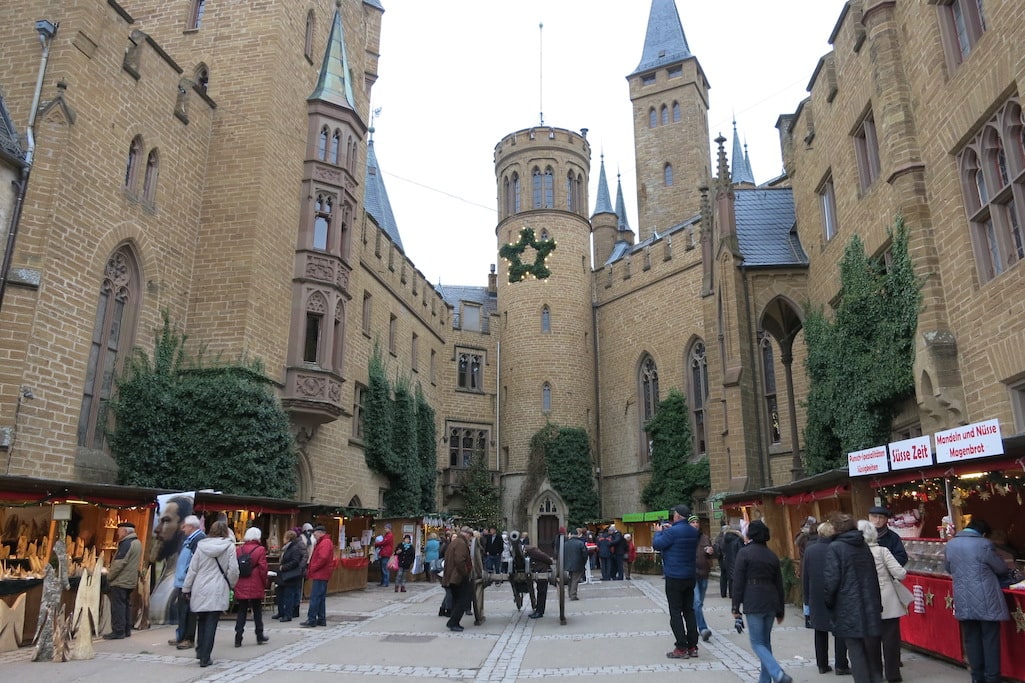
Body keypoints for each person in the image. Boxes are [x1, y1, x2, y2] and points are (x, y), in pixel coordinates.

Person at [944, 518, 1010, 683]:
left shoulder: (951, 544)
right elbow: (1000, 568)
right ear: (984, 533)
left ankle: (977, 678)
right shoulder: (984, 544)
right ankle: (992, 678)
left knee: (971, 640)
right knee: (990, 640)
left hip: (963, 599)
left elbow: (948, 568)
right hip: (986, 599)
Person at [824, 514, 883, 683]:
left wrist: (829, 602)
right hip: (869, 602)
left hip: (847, 605)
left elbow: (831, 580)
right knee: (870, 651)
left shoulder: (835, 548)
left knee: (855, 650)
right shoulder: (863, 546)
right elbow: (873, 576)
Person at [732, 519, 792, 683]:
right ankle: (765, 680)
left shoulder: (744, 553)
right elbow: (779, 584)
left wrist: (735, 607)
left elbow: (737, 582)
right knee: (765, 643)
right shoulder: (771, 555)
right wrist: (780, 610)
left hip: (753, 600)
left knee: (757, 643)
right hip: (771, 600)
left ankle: (777, 673)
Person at [182, 520, 239, 668]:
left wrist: (186, 588)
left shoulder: (201, 546)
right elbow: (233, 570)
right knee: (212, 622)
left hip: (200, 586)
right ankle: (205, 657)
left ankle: (200, 650)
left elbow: (193, 569)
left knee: (201, 619)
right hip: (219, 586)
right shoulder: (229, 547)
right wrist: (231, 584)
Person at [859, 520, 906, 683]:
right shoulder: (882, 551)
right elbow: (900, 573)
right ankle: (893, 674)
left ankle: (875, 673)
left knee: (871, 639)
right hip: (887, 598)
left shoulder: (856, 553)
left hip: (866, 599)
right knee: (891, 639)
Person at [652, 503, 700, 659]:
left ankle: (681, 647)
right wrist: (669, 530)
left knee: (675, 612)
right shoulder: (693, 532)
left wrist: (658, 532)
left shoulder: (672, 532)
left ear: (678, 516)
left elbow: (657, 545)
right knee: (689, 611)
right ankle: (693, 646)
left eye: (674, 514)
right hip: (690, 575)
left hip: (674, 576)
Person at [802, 521, 850, 675]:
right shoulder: (838, 548)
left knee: (820, 631)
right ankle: (841, 664)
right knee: (840, 630)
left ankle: (822, 664)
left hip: (816, 595)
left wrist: (806, 600)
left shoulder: (810, 550)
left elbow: (805, 576)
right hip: (836, 593)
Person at [169, 515, 204, 649]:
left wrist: (187, 578)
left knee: (189, 612)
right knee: (182, 611)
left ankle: (188, 638)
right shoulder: (191, 539)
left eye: (184, 526)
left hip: (188, 582)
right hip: (182, 581)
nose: (182, 529)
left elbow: (195, 562)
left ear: (190, 526)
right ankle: (181, 635)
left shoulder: (198, 539)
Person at [103, 521, 142, 640]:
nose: (118, 534)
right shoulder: (137, 542)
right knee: (125, 605)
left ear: (125, 531)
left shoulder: (126, 544)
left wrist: (109, 577)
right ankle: (126, 630)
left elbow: (119, 563)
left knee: (118, 606)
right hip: (130, 580)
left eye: (119, 532)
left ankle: (118, 631)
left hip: (121, 580)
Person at [234, 526, 270, 647]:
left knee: (242, 610)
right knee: (257, 610)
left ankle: (238, 637)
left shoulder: (239, 549)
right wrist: (265, 582)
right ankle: (259, 635)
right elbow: (263, 568)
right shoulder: (260, 550)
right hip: (255, 583)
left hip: (241, 582)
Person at [301, 525, 334, 627]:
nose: (314, 535)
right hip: (322, 573)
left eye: (315, 534)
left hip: (320, 573)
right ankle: (321, 618)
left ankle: (311, 619)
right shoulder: (325, 542)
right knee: (320, 597)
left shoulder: (325, 543)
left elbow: (323, 558)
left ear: (320, 533)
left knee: (315, 597)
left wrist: (313, 567)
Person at [442, 526, 473, 632]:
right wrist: (465, 573)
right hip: (458, 576)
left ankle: (454, 622)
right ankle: (453, 622)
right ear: (467, 534)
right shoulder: (461, 544)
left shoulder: (455, 542)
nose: (470, 538)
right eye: (470, 535)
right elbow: (460, 561)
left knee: (456, 599)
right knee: (463, 599)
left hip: (451, 576)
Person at [690, 515, 715, 642]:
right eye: (693, 522)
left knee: (699, 604)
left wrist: (711, 551)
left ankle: (694, 622)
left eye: (697, 522)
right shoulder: (687, 537)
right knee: (697, 602)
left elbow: (712, 554)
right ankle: (703, 629)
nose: (695, 524)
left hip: (704, 573)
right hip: (692, 574)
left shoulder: (705, 538)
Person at [275, 529, 305, 622]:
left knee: (288, 595)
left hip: (290, 575)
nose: (283, 539)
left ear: (288, 538)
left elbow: (295, 561)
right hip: (283, 575)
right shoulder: (286, 548)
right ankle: (281, 612)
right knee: (280, 594)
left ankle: (288, 614)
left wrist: (284, 567)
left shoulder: (294, 548)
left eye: (284, 537)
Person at [524, 543, 555, 618]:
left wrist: (550, 562)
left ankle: (539, 612)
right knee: (540, 590)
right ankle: (538, 610)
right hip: (534, 570)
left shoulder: (530, 550)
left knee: (541, 591)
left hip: (542, 570)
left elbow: (544, 557)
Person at [716, 521, 745, 598]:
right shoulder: (738, 540)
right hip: (735, 561)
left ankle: (727, 593)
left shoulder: (724, 539)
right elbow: (741, 551)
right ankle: (734, 595)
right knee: (735, 578)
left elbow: (719, 549)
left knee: (726, 577)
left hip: (726, 561)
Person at [562, 529, 588, 600]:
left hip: (567, 564)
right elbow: (585, 554)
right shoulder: (580, 543)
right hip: (578, 564)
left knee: (569, 580)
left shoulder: (565, 544)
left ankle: (570, 593)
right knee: (575, 580)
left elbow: (561, 555)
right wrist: (583, 563)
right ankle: (573, 594)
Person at [375, 523, 394, 588]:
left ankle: (385, 582)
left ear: (389, 529)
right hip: (383, 552)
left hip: (386, 553)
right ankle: (383, 582)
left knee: (384, 568)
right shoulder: (386, 535)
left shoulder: (389, 535)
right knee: (382, 568)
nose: (385, 529)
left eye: (386, 528)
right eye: (385, 528)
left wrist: (377, 544)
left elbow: (384, 542)